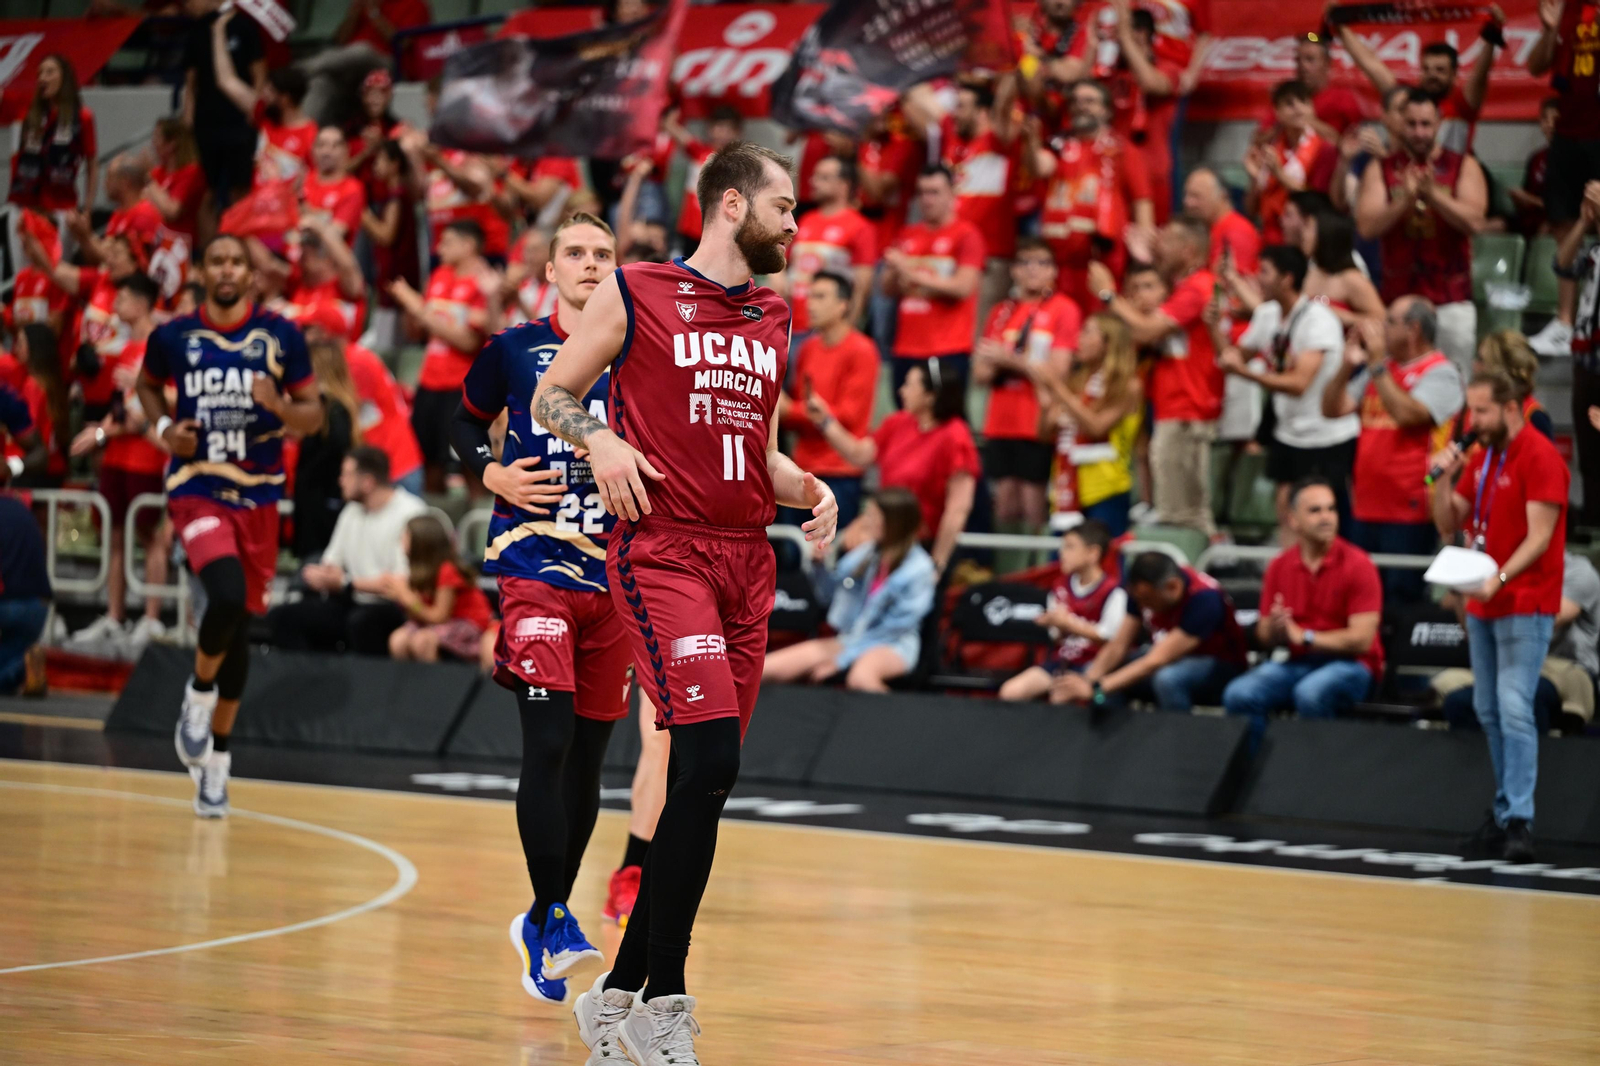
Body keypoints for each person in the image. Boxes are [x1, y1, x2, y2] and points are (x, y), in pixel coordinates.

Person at [533, 141, 837, 1060]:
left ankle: (617, 994)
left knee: (708, 779)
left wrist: (810, 488)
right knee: (705, 753)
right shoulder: (639, 289)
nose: (796, 223)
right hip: (665, 553)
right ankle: (664, 1000)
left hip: (748, 560)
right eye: (785, 206)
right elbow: (552, 395)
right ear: (732, 205)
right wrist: (601, 442)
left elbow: (758, 452)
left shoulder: (776, 314)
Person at [450, 212, 637, 1005]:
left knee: (589, 761)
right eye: (576, 254)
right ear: (551, 269)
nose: (591, 264)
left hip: (616, 578)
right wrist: (491, 473)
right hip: (533, 565)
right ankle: (558, 917)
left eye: (604, 254)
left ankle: (540, 917)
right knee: (550, 742)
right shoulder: (513, 347)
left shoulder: (641, 353)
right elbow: (460, 421)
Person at [136, 233, 323, 818]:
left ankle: (217, 760)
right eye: (216, 260)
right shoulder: (173, 335)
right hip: (197, 486)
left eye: (236, 261)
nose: (226, 269)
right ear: (201, 271)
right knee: (224, 594)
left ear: (251, 275)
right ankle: (196, 695)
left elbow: (313, 416)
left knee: (238, 626)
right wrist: (164, 429)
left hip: (259, 495)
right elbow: (145, 386)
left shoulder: (281, 335)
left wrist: (279, 406)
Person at [1429, 372, 1570, 863]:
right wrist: (1442, 478)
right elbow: (1449, 521)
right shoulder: (1483, 456)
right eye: (1471, 410)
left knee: (1513, 705)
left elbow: (1540, 536)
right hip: (1483, 600)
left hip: (1524, 599)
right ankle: (1506, 808)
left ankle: (1519, 820)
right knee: (1487, 707)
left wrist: (1500, 578)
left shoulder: (1540, 455)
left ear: (1511, 408)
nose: (1473, 422)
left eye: (1482, 411)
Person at [1322, 297, 1464, 601]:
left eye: (1389, 322)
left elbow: (1409, 415)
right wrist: (1346, 366)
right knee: (1360, 596)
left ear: (1414, 329)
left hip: (1409, 509)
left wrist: (1375, 365)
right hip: (1365, 505)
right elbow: (1332, 409)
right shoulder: (1381, 370)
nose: (1381, 328)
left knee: (1401, 600)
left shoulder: (1441, 372)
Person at [1222, 478, 1383, 745]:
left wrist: (1305, 637)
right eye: (1315, 511)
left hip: (1353, 665)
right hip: (1298, 662)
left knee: (1310, 693)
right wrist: (1275, 628)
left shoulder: (1359, 565)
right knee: (1239, 694)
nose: (1326, 517)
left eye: (1331, 509)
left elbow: (1362, 640)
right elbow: (1264, 635)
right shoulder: (1279, 566)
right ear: (1293, 520)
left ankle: (1317, 767)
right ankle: (1257, 765)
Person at [1089, 216, 1219, 537]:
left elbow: (1147, 330)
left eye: (1168, 240)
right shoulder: (1184, 287)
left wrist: (1108, 294)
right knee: (1176, 509)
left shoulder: (1197, 287)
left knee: (1182, 515)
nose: (1159, 245)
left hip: (1187, 406)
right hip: (1175, 406)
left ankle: (1194, 565)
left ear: (1188, 250)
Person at [1218, 245, 1359, 535]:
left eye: (1265, 272)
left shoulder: (1318, 320)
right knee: (1287, 511)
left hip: (1326, 436)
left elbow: (1298, 384)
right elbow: (1232, 358)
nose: (1258, 278)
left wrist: (1245, 373)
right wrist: (1212, 327)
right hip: (1289, 432)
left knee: (1325, 519)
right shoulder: (1267, 315)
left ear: (1287, 278)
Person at [67, 274, 171, 650]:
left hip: (148, 455)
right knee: (114, 534)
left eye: (123, 298)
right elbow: (120, 407)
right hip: (118, 454)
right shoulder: (126, 349)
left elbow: (170, 398)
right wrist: (101, 431)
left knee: (150, 535)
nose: (115, 305)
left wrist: (111, 426)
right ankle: (115, 616)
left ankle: (152, 618)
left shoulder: (163, 346)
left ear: (143, 303)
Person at [1356, 90, 1487, 373]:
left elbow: (1476, 222)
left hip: (1451, 300)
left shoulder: (1463, 165)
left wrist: (1433, 195)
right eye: (1411, 124)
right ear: (1399, 123)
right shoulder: (1381, 169)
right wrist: (1404, 200)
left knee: (1455, 380)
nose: (1419, 132)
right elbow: (1366, 227)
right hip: (1399, 300)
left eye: (1426, 124)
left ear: (1439, 123)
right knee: (1397, 379)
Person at [762, 487, 936, 692]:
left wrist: (842, 660)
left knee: (861, 677)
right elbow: (829, 596)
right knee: (766, 669)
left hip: (893, 645)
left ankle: (901, 714)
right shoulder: (866, 554)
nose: (866, 522)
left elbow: (893, 629)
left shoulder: (920, 569)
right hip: (852, 639)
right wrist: (819, 566)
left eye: (872, 516)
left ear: (893, 523)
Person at [811, 362, 980, 572]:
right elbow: (859, 454)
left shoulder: (955, 435)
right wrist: (825, 421)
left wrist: (937, 564)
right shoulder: (898, 423)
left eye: (909, 385)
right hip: (884, 537)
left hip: (920, 545)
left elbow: (958, 510)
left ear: (930, 396)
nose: (902, 391)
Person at [268, 445, 426, 651]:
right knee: (283, 617)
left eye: (347, 474)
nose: (340, 480)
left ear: (368, 482)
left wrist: (346, 583)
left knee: (362, 622)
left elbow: (400, 583)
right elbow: (332, 562)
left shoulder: (411, 513)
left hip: (396, 608)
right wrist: (321, 575)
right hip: (352, 600)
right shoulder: (351, 511)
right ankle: (310, 672)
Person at [973, 239, 1082, 538]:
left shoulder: (1064, 309)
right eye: (1025, 262)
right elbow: (981, 373)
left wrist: (1009, 360)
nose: (1033, 269)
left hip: (1037, 419)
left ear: (1054, 271)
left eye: (1042, 263)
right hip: (999, 420)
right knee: (1004, 500)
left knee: (1033, 499)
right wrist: (1024, 365)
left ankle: (1036, 560)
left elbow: (1058, 371)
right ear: (1014, 270)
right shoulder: (1000, 312)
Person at [1056, 550, 1249, 712]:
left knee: (1168, 679)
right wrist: (1087, 681)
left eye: (1147, 600)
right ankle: (1111, 739)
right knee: (1099, 668)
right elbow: (1118, 645)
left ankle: (1176, 739)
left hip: (1220, 668)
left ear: (1173, 587)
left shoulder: (1205, 599)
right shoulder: (1141, 590)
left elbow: (1156, 660)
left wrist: (1096, 688)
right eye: (1139, 600)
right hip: (1168, 659)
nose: (1142, 607)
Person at [391, 219, 493, 494]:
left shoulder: (485, 282)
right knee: (428, 461)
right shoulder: (439, 275)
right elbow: (419, 332)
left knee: (470, 464)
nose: (439, 248)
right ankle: (433, 520)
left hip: (462, 386)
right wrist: (412, 311)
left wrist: (420, 309)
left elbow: (469, 341)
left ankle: (480, 521)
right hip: (429, 382)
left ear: (468, 245)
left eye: (447, 242)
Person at [1034, 79, 1155, 311]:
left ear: (1106, 110)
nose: (1081, 106)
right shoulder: (1057, 148)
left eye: (1090, 101)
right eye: (1076, 101)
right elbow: (1037, 167)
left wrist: (1143, 260)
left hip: (1102, 259)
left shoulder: (1123, 150)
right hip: (1058, 260)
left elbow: (1142, 203)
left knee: (1100, 323)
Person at [1522, 0, 1600, 357]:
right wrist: (1550, 30)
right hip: (1569, 133)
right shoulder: (1567, 9)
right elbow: (1535, 66)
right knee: (1564, 223)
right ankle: (1565, 322)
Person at [778, 271, 879, 530]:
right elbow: (799, 410)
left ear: (843, 305)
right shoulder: (808, 348)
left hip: (840, 471)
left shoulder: (862, 350)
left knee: (827, 549)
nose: (810, 304)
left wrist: (790, 410)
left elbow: (849, 415)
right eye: (810, 296)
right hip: (802, 469)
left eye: (820, 297)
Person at [1332, 3, 1501, 154]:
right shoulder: (1406, 97)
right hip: (1409, 175)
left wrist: (1493, 32)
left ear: (1454, 74)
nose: (1432, 75)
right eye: (1426, 69)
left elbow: (1481, 75)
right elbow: (1370, 63)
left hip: (1456, 176)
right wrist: (1339, 25)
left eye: (1440, 70)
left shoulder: (1463, 105)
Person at [1035, 311, 1144, 535]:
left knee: (1103, 556)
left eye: (1087, 332)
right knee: (1063, 556)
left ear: (1108, 343)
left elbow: (1096, 427)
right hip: (1066, 489)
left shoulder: (1128, 386)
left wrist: (1057, 388)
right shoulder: (1074, 382)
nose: (1079, 338)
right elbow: (1044, 434)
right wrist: (1047, 407)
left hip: (1106, 489)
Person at [882, 166, 987, 396]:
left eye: (934, 192)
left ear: (952, 193)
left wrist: (910, 273)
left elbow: (963, 287)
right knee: (905, 411)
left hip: (947, 348)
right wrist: (894, 272)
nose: (927, 199)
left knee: (943, 412)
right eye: (921, 192)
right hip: (905, 346)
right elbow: (887, 289)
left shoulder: (967, 234)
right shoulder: (907, 234)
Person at [998, 520, 1128, 702]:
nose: (1062, 553)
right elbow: (1056, 637)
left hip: (1098, 667)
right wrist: (1054, 624)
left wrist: (1068, 623)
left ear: (1093, 553)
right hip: (1062, 663)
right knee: (1010, 692)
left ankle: (1099, 704)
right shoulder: (1059, 587)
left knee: (1082, 699)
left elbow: (1111, 638)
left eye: (1070, 547)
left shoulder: (1114, 592)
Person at [940, 78, 1024, 327]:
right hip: (952, 254)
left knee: (978, 331)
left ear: (983, 112)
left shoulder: (999, 141)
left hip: (989, 256)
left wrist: (1013, 72)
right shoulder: (954, 144)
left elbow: (1004, 107)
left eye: (962, 107)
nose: (955, 114)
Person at [772, 155, 875, 343]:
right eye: (815, 176)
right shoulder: (805, 220)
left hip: (826, 332)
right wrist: (778, 276)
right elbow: (783, 262)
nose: (814, 182)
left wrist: (846, 333)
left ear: (844, 185)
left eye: (824, 177)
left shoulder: (860, 227)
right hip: (791, 323)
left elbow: (862, 288)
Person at [209, 11, 315, 190]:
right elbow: (226, 80)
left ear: (285, 99)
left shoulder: (311, 135)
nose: (263, 95)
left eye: (270, 91)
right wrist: (218, 32)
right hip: (258, 204)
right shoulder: (264, 115)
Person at [183, 0, 267, 221]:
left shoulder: (244, 27)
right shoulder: (197, 31)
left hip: (239, 120)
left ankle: (240, 240)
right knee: (206, 191)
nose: (187, 4)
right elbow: (191, 82)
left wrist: (254, 110)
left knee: (239, 189)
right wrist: (188, 115)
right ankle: (209, 243)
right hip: (206, 121)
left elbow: (259, 74)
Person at [290, 331, 362, 560]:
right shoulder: (334, 406)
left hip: (322, 508)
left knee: (316, 565)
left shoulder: (333, 409)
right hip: (318, 503)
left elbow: (337, 447)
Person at [386, 514, 491, 662]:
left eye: (406, 536)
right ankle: (405, 677)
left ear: (421, 542)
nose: (401, 540)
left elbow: (440, 616)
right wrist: (402, 598)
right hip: (433, 621)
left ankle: (433, 677)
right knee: (398, 639)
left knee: (422, 641)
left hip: (467, 622)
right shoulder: (417, 571)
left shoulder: (447, 570)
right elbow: (418, 615)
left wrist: (409, 599)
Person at [305, 0, 430, 124]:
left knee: (362, 50)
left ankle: (303, 69)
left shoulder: (414, 4)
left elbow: (402, 43)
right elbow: (339, 41)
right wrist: (353, 15)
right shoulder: (361, 5)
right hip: (352, 68)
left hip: (390, 64)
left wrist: (374, 13)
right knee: (321, 81)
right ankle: (305, 132)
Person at [8, 53, 96, 216]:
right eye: (40, 73)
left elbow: (92, 164)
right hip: (27, 206)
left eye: (49, 72)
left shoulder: (82, 117)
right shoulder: (31, 114)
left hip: (62, 207)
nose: (42, 78)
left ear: (64, 78)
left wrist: (88, 210)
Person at [1562, 180, 1600, 523]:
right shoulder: (1593, 252)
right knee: (1588, 448)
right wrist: (1583, 223)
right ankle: (1592, 518)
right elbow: (1562, 264)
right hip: (1587, 361)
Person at [1246, 81, 1325, 246]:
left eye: (1303, 102)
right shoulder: (1270, 149)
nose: (1298, 108)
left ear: (1312, 107)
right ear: (1277, 112)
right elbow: (1251, 209)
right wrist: (1254, 178)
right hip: (1271, 239)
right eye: (1289, 104)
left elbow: (1319, 203)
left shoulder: (1323, 149)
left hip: (1305, 241)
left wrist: (1278, 173)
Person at [662, 106, 744, 257]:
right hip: (691, 228)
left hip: (720, 231)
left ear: (737, 132)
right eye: (719, 127)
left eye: (729, 129)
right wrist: (674, 109)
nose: (723, 133)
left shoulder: (739, 164)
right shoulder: (698, 151)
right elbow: (671, 127)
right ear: (710, 129)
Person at [0, 489, 52, 696]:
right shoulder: (22, 510)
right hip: (37, 606)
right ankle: (22, 663)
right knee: (11, 651)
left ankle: (20, 666)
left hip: (7, 601)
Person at [1182, 167, 1261, 277]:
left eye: (1196, 196)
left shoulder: (1237, 231)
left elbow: (1231, 283)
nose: (1187, 202)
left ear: (1222, 195)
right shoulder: (1207, 229)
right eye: (1186, 195)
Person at [301, 127, 367, 244]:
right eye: (321, 145)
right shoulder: (301, 180)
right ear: (312, 149)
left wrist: (301, 207)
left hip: (325, 254)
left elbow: (335, 234)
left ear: (346, 150)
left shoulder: (352, 189)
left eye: (335, 146)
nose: (326, 151)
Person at [1510, 98, 1560, 238]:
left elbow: (1566, 207)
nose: (1550, 124)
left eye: (1555, 119)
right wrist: (1519, 200)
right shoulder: (1536, 158)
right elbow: (1527, 193)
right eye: (1545, 119)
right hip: (1531, 219)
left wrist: (1530, 200)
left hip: (1557, 220)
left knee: (1546, 228)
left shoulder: (1574, 158)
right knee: (1494, 225)